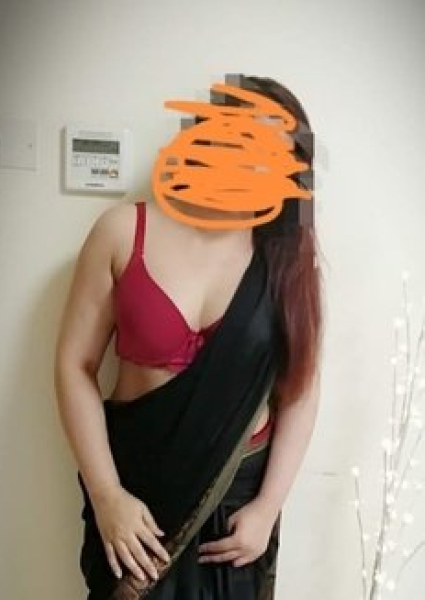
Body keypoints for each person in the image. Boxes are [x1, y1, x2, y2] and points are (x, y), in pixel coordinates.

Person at [54, 74, 323, 600]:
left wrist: (268, 508)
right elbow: (73, 366)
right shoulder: (121, 231)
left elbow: (301, 390)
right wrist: (106, 495)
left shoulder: (287, 260)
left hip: (235, 508)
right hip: (135, 493)